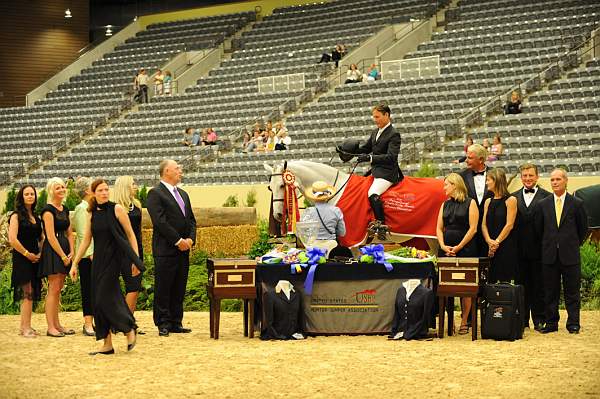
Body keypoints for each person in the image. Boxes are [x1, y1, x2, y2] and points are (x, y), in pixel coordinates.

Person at [70, 179, 143, 355]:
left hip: (114, 259)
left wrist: (136, 260)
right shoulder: (91, 213)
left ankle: (128, 328)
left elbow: (131, 236)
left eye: (106, 190)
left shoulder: (117, 209)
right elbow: (86, 240)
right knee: (98, 301)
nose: (104, 193)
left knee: (103, 298)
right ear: (93, 193)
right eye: (100, 190)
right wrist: (74, 263)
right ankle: (107, 343)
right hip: (98, 261)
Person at [147, 160, 197, 336]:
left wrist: (191, 239)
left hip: (183, 250)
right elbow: (160, 222)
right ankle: (163, 322)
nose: (180, 171)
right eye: (177, 168)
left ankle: (176, 321)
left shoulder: (183, 194)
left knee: (179, 286)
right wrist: (178, 241)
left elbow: (191, 220)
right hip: (166, 250)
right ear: (166, 171)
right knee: (164, 286)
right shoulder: (155, 193)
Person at [536, 169, 588, 334]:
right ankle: (551, 323)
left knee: (572, 292)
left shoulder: (577, 203)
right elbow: (539, 230)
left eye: (558, 179)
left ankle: (573, 323)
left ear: (566, 181)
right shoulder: (543, 204)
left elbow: (583, 230)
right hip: (549, 255)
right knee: (550, 291)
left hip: (570, 255)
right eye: (552, 180)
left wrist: (570, 245)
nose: (555, 182)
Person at [436, 173, 479, 334]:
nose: (444, 187)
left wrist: (459, 247)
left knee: (465, 287)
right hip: (446, 249)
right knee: (445, 287)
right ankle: (449, 322)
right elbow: (439, 228)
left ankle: (464, 321)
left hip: (466, 249)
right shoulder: (444, 204)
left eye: (446, 184)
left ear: (455, 185)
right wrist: (442, 245)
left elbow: (473, 228)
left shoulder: (471, 203)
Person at [512, 163, 551, 331]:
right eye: (525, 176)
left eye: (530, 175)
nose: (527, 179)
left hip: (540, 250)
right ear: (521, 177)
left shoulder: (547, 197)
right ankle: (522, 319)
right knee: (521, 286)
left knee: (539, 286)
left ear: (537, 177)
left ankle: (539, 319)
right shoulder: (512, 197)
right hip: (519, 251)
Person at [355, 104, 403, 240]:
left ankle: (382, 225)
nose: (375, 119)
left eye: (377, 116)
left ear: (386, 115)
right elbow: (366, 148)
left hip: (387, 173)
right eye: (373, 117)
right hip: (376, 170)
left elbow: (391, 157)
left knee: (373, 193)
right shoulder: (375, 132)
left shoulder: (394, 134)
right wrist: (349, 150)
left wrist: (370, 158)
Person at [39, 177, 75, 337]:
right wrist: (62, 255)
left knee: (59, 288)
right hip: (54, 252)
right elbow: (50, 236)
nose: (61, 190)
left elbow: (69, 232)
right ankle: (50, 327)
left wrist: (72, 251)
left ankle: (58, 324)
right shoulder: (48, 210)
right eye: (57, 188)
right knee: (53, 289)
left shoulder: (65, 209)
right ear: (51, 191)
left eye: (62, 187)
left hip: (66, 251)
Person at [8, 185, 43, 338]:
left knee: (31, 291)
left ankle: (25, 326)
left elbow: (41, 238)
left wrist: (41, 252)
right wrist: (27, 254)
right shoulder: (16, 216)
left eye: (32, 194)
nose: (30, 196)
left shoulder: (36, 216)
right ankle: (25, 328)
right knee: (27, 292)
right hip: (22, 258)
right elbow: (12, 239)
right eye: (27, 194)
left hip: (35, 258)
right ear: (21, 197)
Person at [114, 175, 145, 331]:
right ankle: (124, 322)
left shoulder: (137, 206)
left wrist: (138, 252)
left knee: (135, 286)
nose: (136, 186)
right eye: (133, 184)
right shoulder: (117, 208)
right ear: (125, 187)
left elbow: (137, 232)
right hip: (124, 252)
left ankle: (128, 320)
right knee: (132, 287)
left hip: (137, 249)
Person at [482, 168, 518, 283]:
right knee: (490, 280)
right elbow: (483, 225)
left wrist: (496, 243)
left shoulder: (511, 200)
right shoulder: (488, 201)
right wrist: (489, 241)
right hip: (489, 247)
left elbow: (509, 225)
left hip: (505, 246)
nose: (486, 183)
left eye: (488, 180)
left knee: (504, 281)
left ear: (496, 181)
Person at [460, 143, 494, 256]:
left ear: (480, 159)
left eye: (470, 158)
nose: (466, 160)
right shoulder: (461, 176)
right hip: (468, 229)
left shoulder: (496, 174)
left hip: (491, 229)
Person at [72, 177, 95, 336]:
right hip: (88, 256)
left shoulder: (92, 206)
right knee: (88, 289)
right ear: (87, 190)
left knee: (97, 289)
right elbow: (82, 233)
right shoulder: (82, 208)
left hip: (96, 255)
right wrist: (91, 253)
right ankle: (88, 323)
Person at [301, 181, 346, 256]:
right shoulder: (336, 210)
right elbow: (342, 233)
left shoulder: (308, 212)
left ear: (313, 196)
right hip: (331, 247)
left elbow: (301, 233)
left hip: (313, 248)